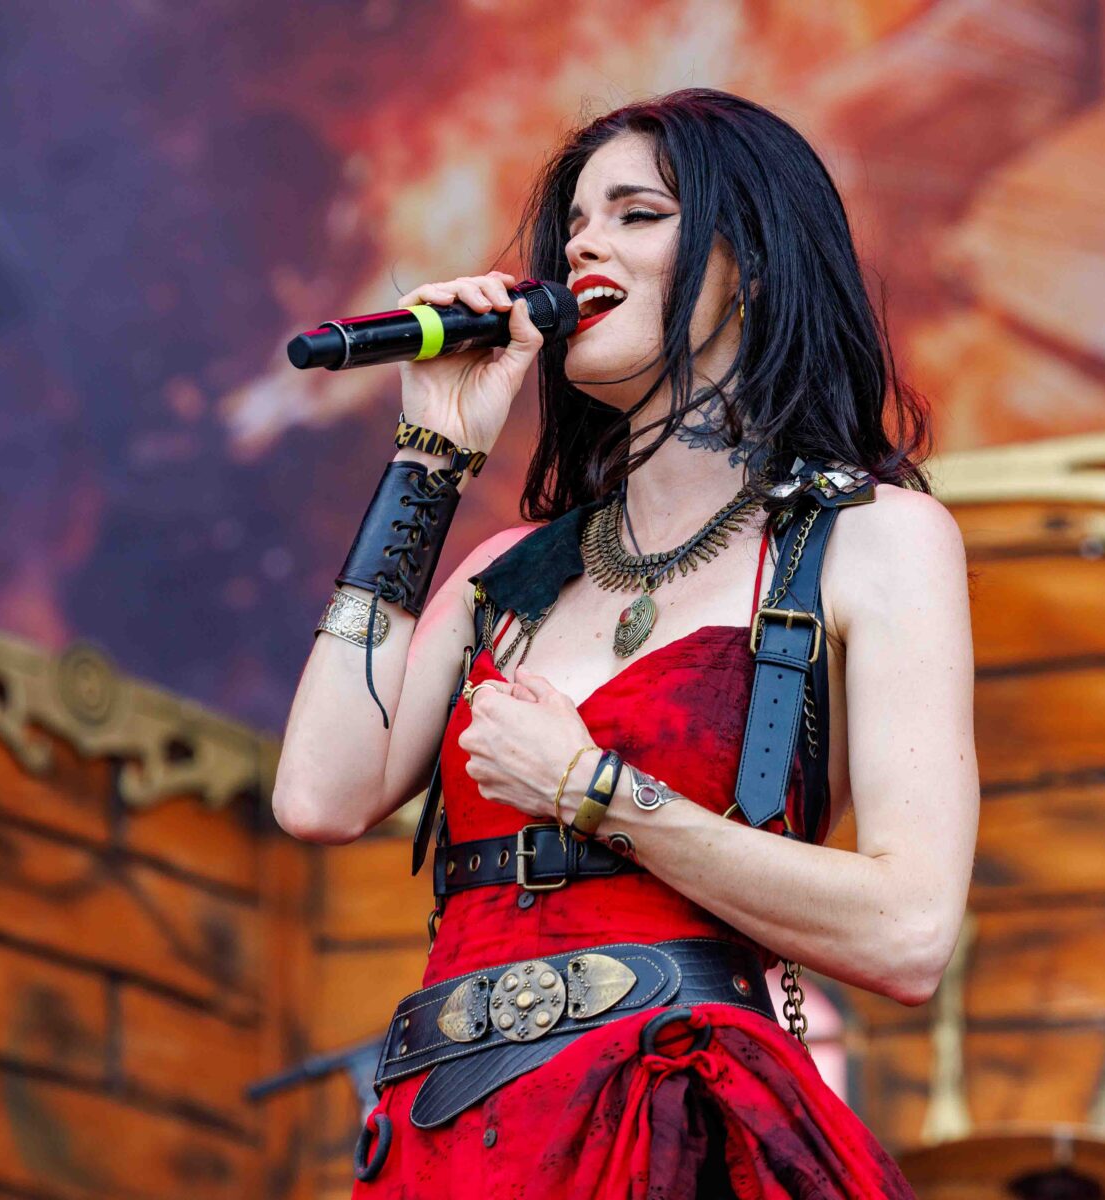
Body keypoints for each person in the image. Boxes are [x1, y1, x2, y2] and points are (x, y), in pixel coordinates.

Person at [274, 88, 978, 1198]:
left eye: (637, 214)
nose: (582, 247)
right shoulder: (509, 572)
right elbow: (318, 794)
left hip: (675, 1122)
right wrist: (430, 454)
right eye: (574, 226)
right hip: (452, 1138)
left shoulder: (872, 540)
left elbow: (909, 931)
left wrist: (593, 792)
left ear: (749, 265)